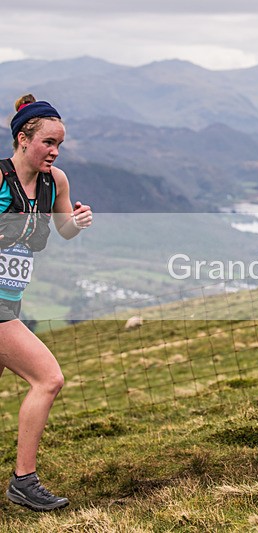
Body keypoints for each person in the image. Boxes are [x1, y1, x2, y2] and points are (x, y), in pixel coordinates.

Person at [1, 94, 92, 511]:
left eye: (59, 145)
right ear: (23, 138)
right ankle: (24, 481)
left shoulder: (56, 181)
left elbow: (63, 230)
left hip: (12, 302)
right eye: (47, 143)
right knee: (48, 379)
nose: (54, 151)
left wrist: (77, 221)